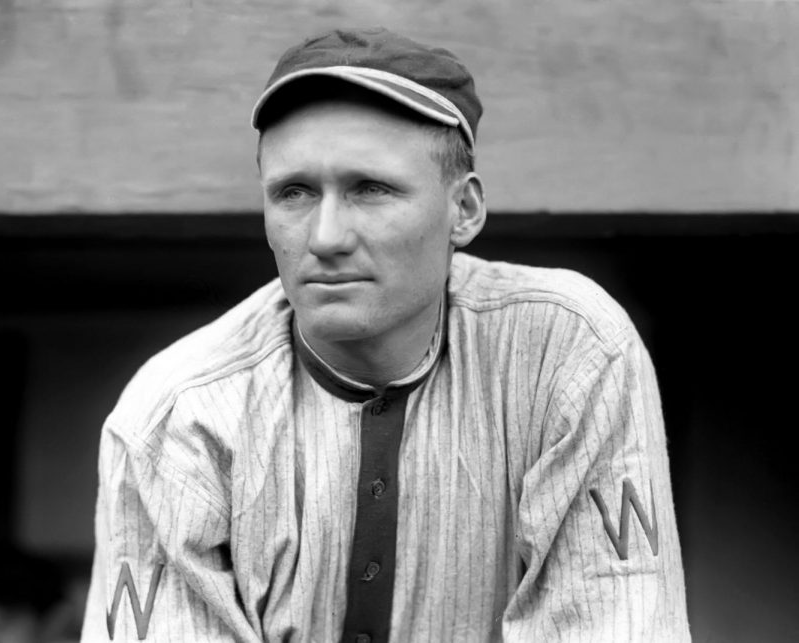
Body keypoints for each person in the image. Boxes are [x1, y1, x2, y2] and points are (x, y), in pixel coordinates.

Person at [82, 27, 690, 642]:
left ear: (464, 210)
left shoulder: (569, 352)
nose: (324, 237)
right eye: (294, 193)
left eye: (370, 189)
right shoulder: (175, 418)